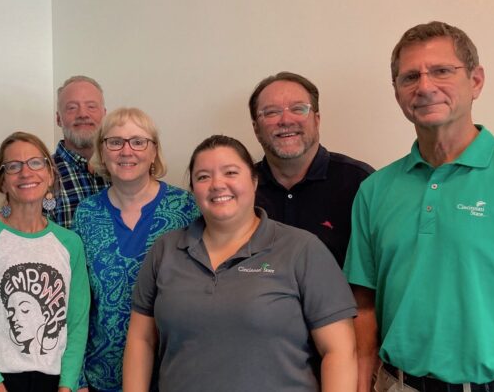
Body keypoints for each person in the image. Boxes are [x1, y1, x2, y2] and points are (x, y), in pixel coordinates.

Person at [344, 21, 494, 391]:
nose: (425, 86)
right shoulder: (374, 190)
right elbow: (364, 308)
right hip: (397, 383)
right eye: (409, 77)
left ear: (476, 81)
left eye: (442, 71)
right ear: (398, 93)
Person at [124, 135, 357, 391]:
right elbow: (141, 340)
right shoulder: (165, 250)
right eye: (203, 177)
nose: (217, 184)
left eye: (231, 172)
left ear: (254, 180)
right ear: (193, 189)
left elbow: (339, 351)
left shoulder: (302, 249)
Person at [0, 132, 89, 392]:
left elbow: (77, 325)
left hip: (54, 383)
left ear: (50, 175)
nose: (26, 173)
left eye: (35, 163)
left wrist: (67, 385)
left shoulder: (71, 244)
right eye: (13, 166)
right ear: (3, 182)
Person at [72, 107, 200, 391]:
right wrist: (76, 379)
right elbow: (76, 303)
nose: (126, 151)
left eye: (138, 141)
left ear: (154, 152)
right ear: (102, 152)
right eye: (115, 142)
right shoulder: (86, 214)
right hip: (101, 378)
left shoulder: (186, 209)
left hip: (171, 373)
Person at [249, 71, 374, 267]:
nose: (286, 120)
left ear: (317, 119)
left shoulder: (361, 183)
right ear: (256, 128)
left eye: (298, 109)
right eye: (271, 112)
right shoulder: (240, 189)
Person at [52, 75, 110, 228]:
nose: (83, 114)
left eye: (91, 106)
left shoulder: (123, 168)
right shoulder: (40, 175)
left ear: (104, 114)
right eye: (72, 107)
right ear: (58, 119)